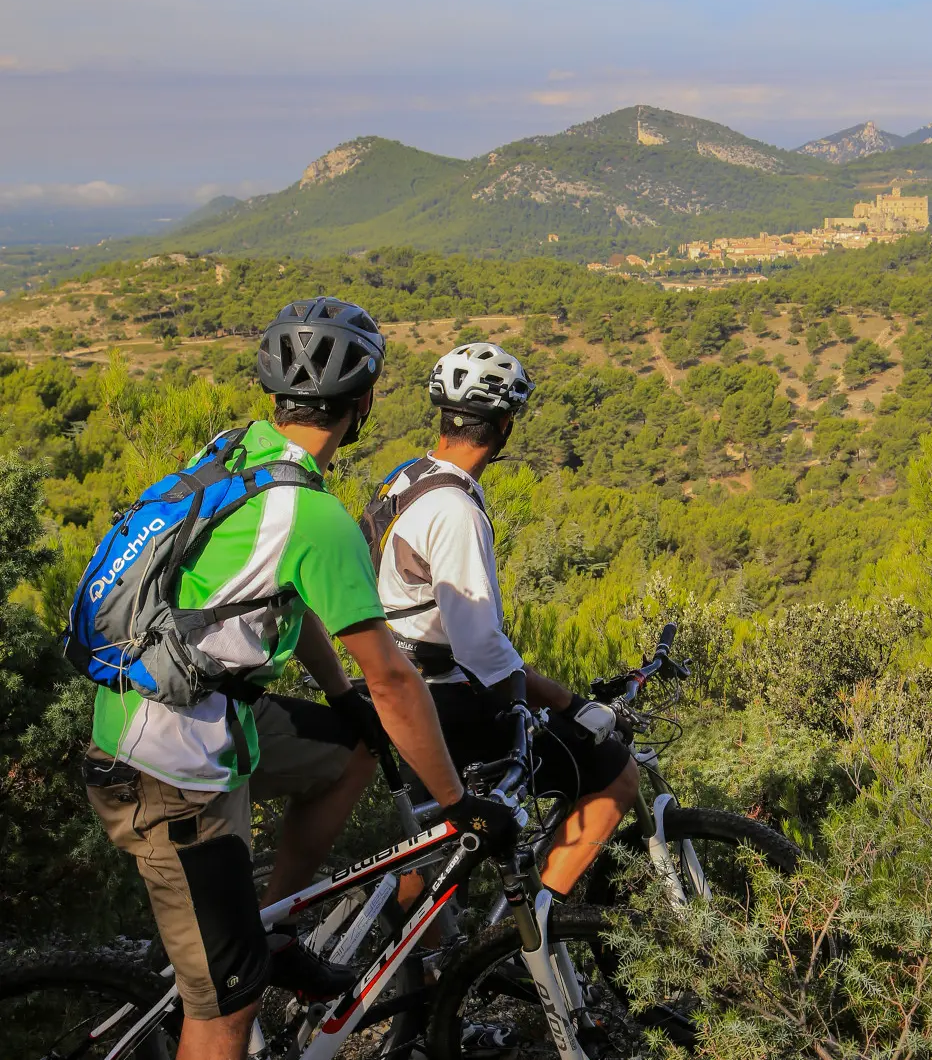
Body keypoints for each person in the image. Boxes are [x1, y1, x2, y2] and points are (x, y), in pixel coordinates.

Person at [82, 301, 515, 1060]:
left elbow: (291, 603)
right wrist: (457, 804)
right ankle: (249, 958)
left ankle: (272, 924)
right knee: (225, 1006)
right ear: (366, 402)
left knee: (352, 750)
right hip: (168, 773)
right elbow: (396, 680)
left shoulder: (238, 450)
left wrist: (344, 704)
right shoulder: (313, 516)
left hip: (176, 712)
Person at [371, 342, 640, 906]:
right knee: (615, 774)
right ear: (506, 426)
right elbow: (482, 650)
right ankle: (535, 929)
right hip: (445, 699)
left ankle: (420, 970)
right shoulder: (456, 511)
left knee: (427, 846)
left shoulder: (406, 480)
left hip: (400, 684)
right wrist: (572, 705)